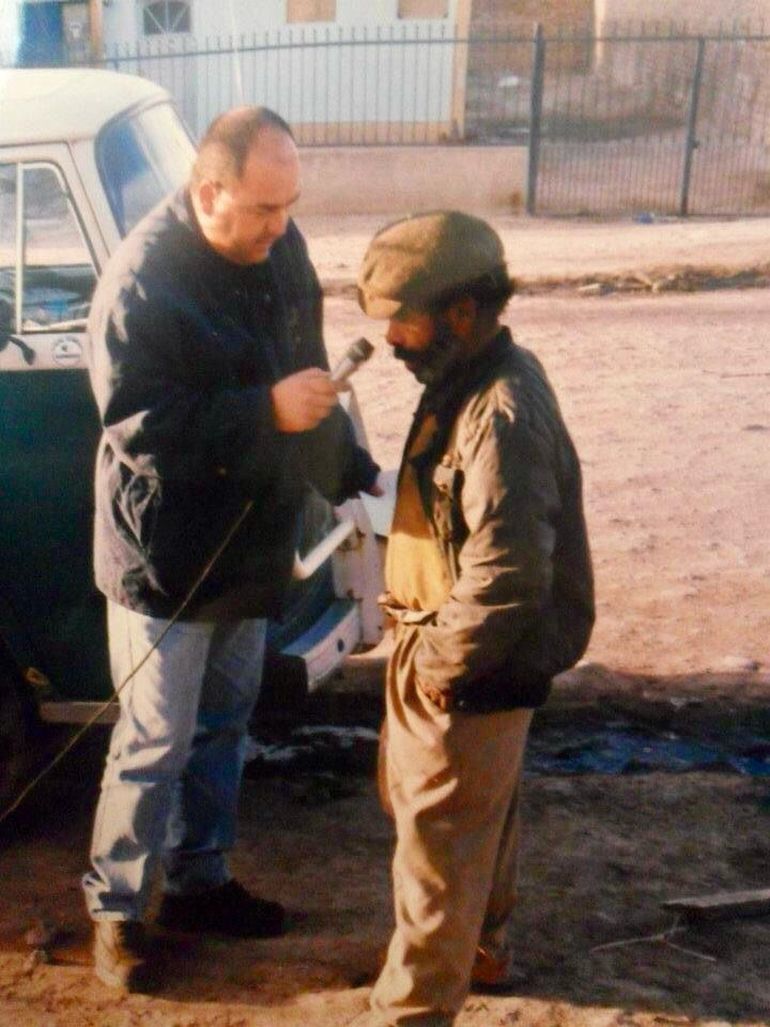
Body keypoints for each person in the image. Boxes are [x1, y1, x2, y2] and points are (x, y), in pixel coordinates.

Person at [82, 106, 379, 992]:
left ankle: (200, 883)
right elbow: (138, 429)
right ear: (208, 191)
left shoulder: (277, 252)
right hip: (166, 556)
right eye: (262, 209)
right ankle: (118, 909)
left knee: (222, 727)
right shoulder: (140, 282)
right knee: (153, 739)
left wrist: (356, 474)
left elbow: (310, 381)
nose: (281, 228)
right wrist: (265, 413)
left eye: (289, 206)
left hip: (249, 544)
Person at [354, 211, 594, 1026]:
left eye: (403, 315)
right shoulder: (466, 377)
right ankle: (483, 950)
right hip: (448, 646)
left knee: (439, 852)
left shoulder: (501, 411)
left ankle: (411, 1010)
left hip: (466, 662)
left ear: (461, 309)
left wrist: (437, 667)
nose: (389, 337)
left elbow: (507, 570)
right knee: (470, 822)